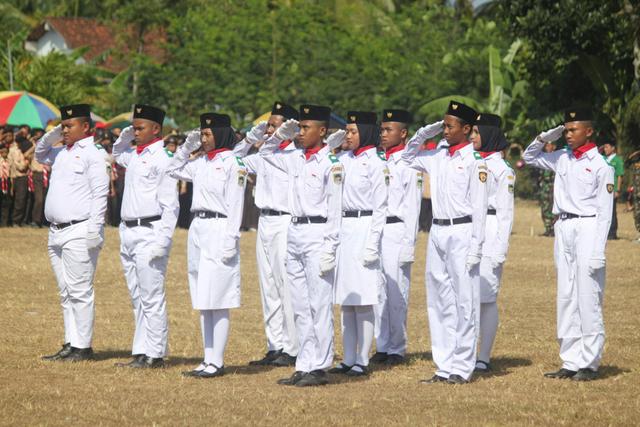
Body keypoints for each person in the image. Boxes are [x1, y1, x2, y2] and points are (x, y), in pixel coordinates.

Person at [523, 107, 614, 381]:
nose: (569, 135)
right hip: (562, 226)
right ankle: (570, 360)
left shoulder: (601, 166)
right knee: (566, 294)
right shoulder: (561, 157)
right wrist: (546, 135)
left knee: (588, 295)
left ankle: (590, 361)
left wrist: (598, 251)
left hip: (587, 226)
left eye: (573, 130)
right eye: (566, 130)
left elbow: (605, 212)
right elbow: (529, 156)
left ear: (589, 131)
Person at [401, 100, 488, 385]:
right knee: (438, 300)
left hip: (462, 232)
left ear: (466, 129)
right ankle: (444, 364)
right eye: (444, 125)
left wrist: (476, 247)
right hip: (437, 231)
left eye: (450, 126)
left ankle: (462, 366)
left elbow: (479, 209)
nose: (445, 130)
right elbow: (407, 155)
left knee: (465, 300)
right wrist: (425, 132)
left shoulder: (476, 162)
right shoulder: (437, 156)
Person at [260, 105, 343, 387]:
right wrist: (278, 134)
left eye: (305, 128)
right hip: (295, 230)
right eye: (299, 127)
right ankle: (304, 363)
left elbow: (335, 209)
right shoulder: (295, 158)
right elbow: (264, 153)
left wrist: (331, 248)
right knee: (299, 304)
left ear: (322, 131)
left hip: (318, 233)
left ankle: (320, 366)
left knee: (318, 304)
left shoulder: (331, 164)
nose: (300, 132)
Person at [166, 113, 247, 378]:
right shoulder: (200, 162)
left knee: (219, 296)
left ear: (222, 134)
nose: (203, 138)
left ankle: (217, 361)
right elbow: (172, 169)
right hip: (198, 226)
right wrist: (186, 147)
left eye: (207, 134)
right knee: (203, 295)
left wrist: (231, 240)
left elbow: (236, 205)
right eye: (202, 134)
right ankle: (206, 357)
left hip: (220, 227)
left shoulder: (233, 163)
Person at [35, 104, 109, 361]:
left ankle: (83, 347)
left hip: (80, 228)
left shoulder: (94, 153)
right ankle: (70, 342)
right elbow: (39, 152)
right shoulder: (62, 152)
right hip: (56, 231)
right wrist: (57, 131)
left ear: (86, 127)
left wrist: (95, 230)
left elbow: (100, 194)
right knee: (65, 291)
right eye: (62, 126)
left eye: (69, 126)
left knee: (80, 290)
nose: (64, 130)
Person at [112, 104, 180, 369]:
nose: (135, 132)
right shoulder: (134, 154)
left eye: (140, 128)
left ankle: (156, 354)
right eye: (134, 127)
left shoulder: (164, 158)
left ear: (156, 129)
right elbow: (117, 153)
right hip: (128, 230)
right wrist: (126, 133)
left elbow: (171, 206)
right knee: (137, 296)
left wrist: (163, 241)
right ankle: (141, 350)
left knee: (152, 295)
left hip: (150, 231)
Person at [233, 102, 300, 367]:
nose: (269, 130)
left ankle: (292, 348)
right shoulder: (263, 155)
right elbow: (235, 159)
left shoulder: (296, 154)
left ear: (289, 128)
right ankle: (275, 345)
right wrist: (250, 139)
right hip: (265, 221)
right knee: (268, 286)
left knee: (286, 286)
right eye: (269, 125)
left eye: (274, 125)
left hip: (286, 221)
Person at [325, 111, 387, 377]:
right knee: (346, 299)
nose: (347, 135)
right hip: (345, 228)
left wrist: (373, 243)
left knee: (363, 298)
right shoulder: (342, 160)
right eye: (346, 131)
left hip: (365, 226)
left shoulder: (376, 163)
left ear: (366, 133)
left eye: (352, 131)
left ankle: (362, 358)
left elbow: (381, 207)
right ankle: (348, 357)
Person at [371, 109, 422, 366]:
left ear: (403, 134)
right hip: (378, 227)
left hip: (397, 228)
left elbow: (413, 206)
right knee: (378, 289)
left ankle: (397, 347)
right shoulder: (380, 160)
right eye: (382, 129)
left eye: (389, 130)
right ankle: (381, 344)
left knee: (396, 290)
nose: (383, 134)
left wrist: (408, 243)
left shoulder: (409, 163)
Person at [469, 113, 515, 372]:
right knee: (468, 294)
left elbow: (506, 214)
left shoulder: (502, 170)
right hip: (470, 229)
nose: (473, 137)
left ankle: (483, 355)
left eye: (477, 132)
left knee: (486, 298)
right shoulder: (473, 163)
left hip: (490, 227)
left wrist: (500, 250)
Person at [601, 139, 624, 240]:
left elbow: (619, 176)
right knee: (603, 211)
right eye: (604, 147)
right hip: (603, 190)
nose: (605, 149)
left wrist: (617, 190)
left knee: (612, 212)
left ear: (613, 148)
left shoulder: (617, 160)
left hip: (612, 190)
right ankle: (604, 232)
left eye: (607, 147)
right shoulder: (603, 159)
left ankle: (612, 233)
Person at [537, 142, 557, 237]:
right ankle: (547, 228)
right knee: (544, 208)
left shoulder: (555, 159)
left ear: (554, 146)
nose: (547, 147)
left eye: (549, 145)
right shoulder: (544, 159)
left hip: (552, 188)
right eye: (546, 146)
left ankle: (553, 229)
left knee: (552, 208)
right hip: (544, 188)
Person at [0, 143, 12, 226]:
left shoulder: (9, 161)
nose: (4, 154)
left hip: (7, 181)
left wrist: (11, 187)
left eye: (6, 152)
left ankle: (4, 222)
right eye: (3, 152)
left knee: (6, 202)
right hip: (0, 180)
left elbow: (11, 174)